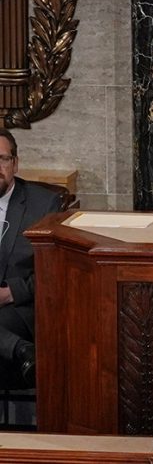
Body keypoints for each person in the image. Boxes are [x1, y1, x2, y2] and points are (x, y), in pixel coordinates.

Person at [0, 129, 61, 387]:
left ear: (15, 163)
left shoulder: (43, 204)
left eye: (2, 159)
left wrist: (10, 293)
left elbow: (55, 272)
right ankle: (21, 349)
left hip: (16, 310)